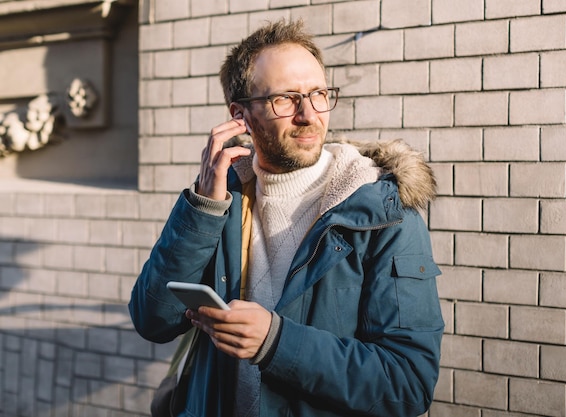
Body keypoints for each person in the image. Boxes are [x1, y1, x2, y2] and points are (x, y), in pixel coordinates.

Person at [129, 19, 444, 417]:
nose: (309, 115)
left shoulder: (383, 213)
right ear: (240, 115)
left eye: (318, 94)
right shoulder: (220, 199)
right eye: (285, 99)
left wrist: (277, 343)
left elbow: (407, 385)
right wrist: (202, 209)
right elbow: (152, 320)